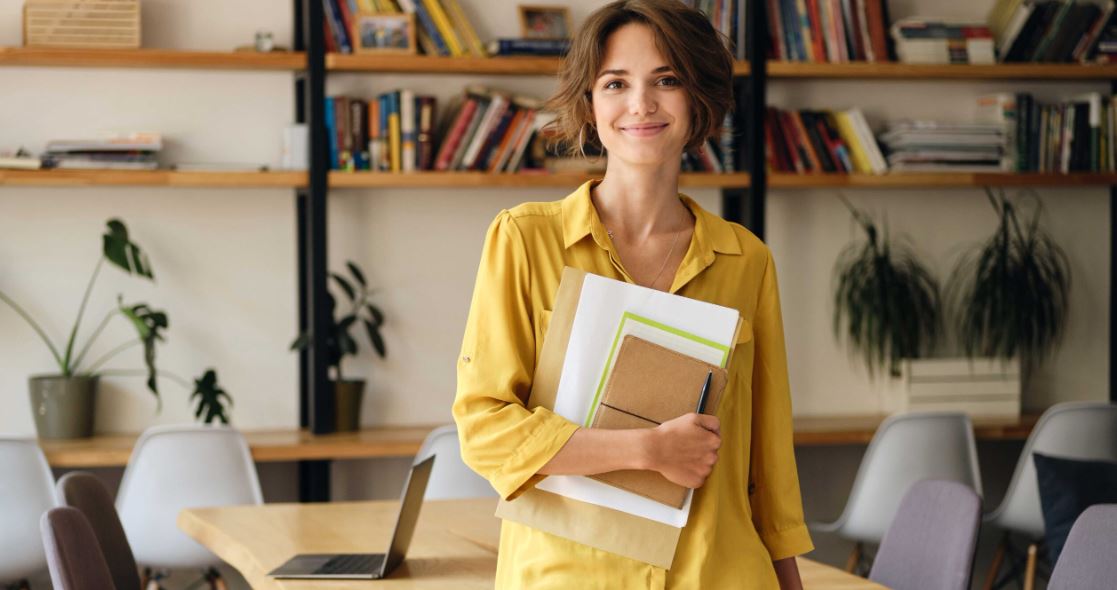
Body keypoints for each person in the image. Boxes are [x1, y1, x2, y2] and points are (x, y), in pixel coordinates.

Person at [452, 1, 813, 587]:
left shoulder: (747, 260)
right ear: (590, 105)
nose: (641, 103)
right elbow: (486, 431)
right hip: (566, 576)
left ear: (698, 100)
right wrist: (647, 451)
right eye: (616, 83)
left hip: (719, 574)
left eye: (666, 80)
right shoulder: (524, 238)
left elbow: (768, 466)